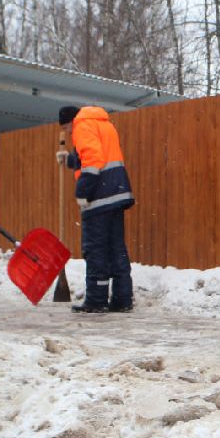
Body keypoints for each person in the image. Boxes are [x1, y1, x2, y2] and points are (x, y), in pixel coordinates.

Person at [58, 105, 135, 313]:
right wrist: (70, 160)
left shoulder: (82, 126)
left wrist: (83, 191)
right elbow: (99, 154)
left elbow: (93, 160)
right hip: (117, 191)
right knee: (116, 249)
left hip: (100, 196)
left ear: (70, 121)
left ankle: (96, 300)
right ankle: (123, 298)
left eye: (68, 129)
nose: (70, 133)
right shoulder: (103, 124)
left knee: (95, 249)